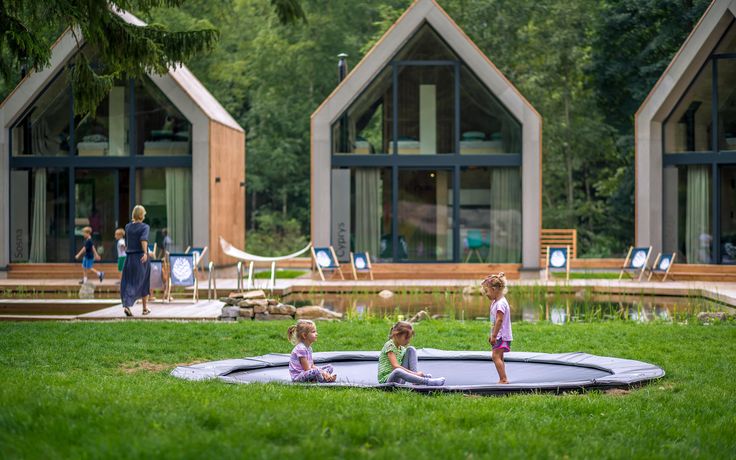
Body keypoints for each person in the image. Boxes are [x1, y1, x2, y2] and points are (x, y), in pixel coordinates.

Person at [377, 321, 445, 386]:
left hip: (399, 380)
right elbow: (395, 366)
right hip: (387, 381)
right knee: (397, 370)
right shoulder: (389, 345)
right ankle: (427, 381)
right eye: (406, 338)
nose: (408, 341)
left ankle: (416, 381)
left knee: (411, 349)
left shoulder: (402, 348)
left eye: (409, 338)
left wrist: (416, 373)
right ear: (396, 335)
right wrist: (415, 374)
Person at [120, 205, 151, 317]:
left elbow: (127, 243)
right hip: (140, 258)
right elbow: (143, 239)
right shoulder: (145, 227)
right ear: (142, 215)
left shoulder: (128, 227)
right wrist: (145, 253)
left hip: (129, 258)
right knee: (143, 282)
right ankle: (140, 307)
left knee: (129, 281)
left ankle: (142, 308)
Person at [482, 272, 512, 384]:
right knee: (499, 356)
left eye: (487, 291)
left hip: (501, 335)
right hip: (499, 335)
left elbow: (499, 320)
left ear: (494, 289)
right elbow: (495, 321)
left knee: (495, 356)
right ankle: (503, 377)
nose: (486, 294)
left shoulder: (500, 304)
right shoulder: (496, 302)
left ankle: (503, 379)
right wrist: (492, 334)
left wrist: (494, 335)